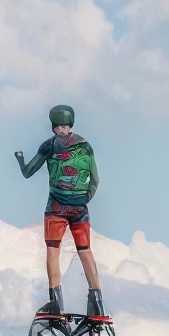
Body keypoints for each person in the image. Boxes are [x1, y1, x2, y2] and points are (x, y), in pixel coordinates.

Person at [15, 104, 106, 321]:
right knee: (85, 250)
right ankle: (96, 301)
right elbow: (95, 179)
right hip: (80, 207)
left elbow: (28, 172)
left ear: (54, 127)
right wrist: (83, 201)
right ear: (71, 124)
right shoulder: (85, 146)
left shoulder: (49, 145)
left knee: (53, 250)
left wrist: (20, 159)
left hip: (55, 207)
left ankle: (56, 302)